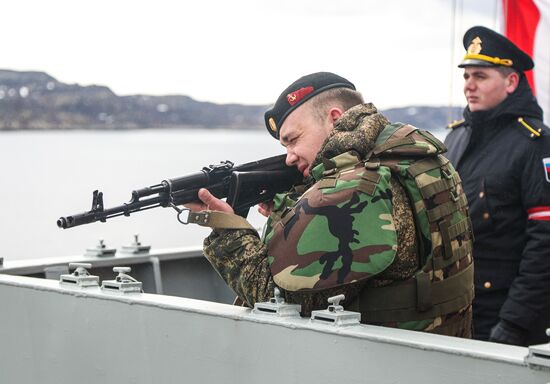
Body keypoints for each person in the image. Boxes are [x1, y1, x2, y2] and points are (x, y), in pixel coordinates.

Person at [188, 72, 474, 337]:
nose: (289, 157)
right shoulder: (413, 156)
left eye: (293, 140)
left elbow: (277, 299)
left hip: (385, 363)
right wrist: (290, 211)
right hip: (441, 347)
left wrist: (226, 230)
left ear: (335, 119)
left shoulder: (358, 186)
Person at [444, 26, 550, 346]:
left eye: (480, 76)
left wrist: (515, 320)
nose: (469, 86)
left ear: (511, 82)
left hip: (508, 316)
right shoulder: (455, 137)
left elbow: (544, 242)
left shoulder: (534, 143)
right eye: (466, 77)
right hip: (457, 308)